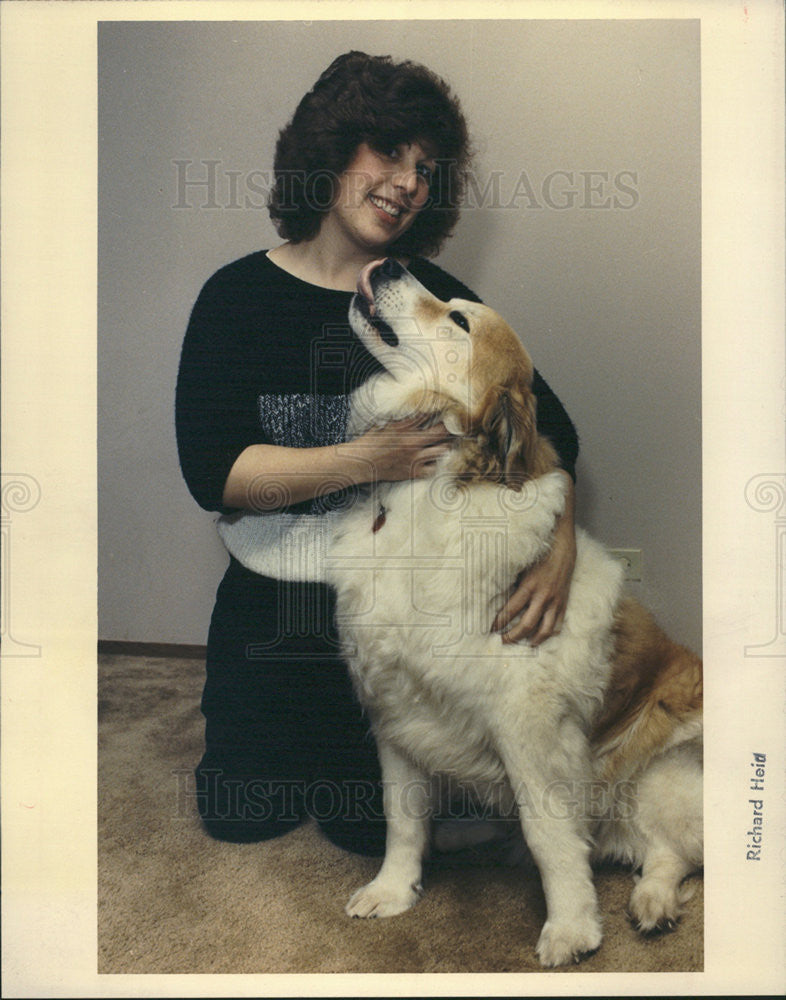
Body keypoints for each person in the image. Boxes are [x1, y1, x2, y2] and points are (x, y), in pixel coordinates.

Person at [175, 51, 579, 854]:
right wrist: (364, 460)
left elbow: (549, 428)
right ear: (330, 150)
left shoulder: (427, 300)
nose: (408, 182)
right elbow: (211, 472)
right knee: (238, 816)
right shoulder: (236, 297)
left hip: (396, 624)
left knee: (373, 830)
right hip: (271, 610)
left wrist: (558, 549)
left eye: (427, 169)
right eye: (390, 152)